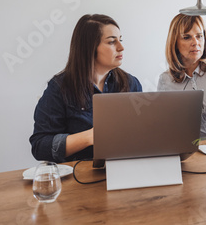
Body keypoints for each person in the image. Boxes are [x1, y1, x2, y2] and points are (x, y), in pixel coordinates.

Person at [30, 14, 142, 162]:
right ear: (89, 48)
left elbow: (141, 134)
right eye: (111, 42)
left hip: (124, 168)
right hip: (79, 177)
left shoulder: (130, 83)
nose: (121, 47)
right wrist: (89, 137)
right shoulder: (59, 87)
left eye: (120, 40)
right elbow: (40, 146)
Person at [158, 14, 206, 138]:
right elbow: (165, 127)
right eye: (187, 37)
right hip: (191, 150)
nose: (195, 42)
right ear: (175, 42)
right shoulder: (166, 80)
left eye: (199, 36)